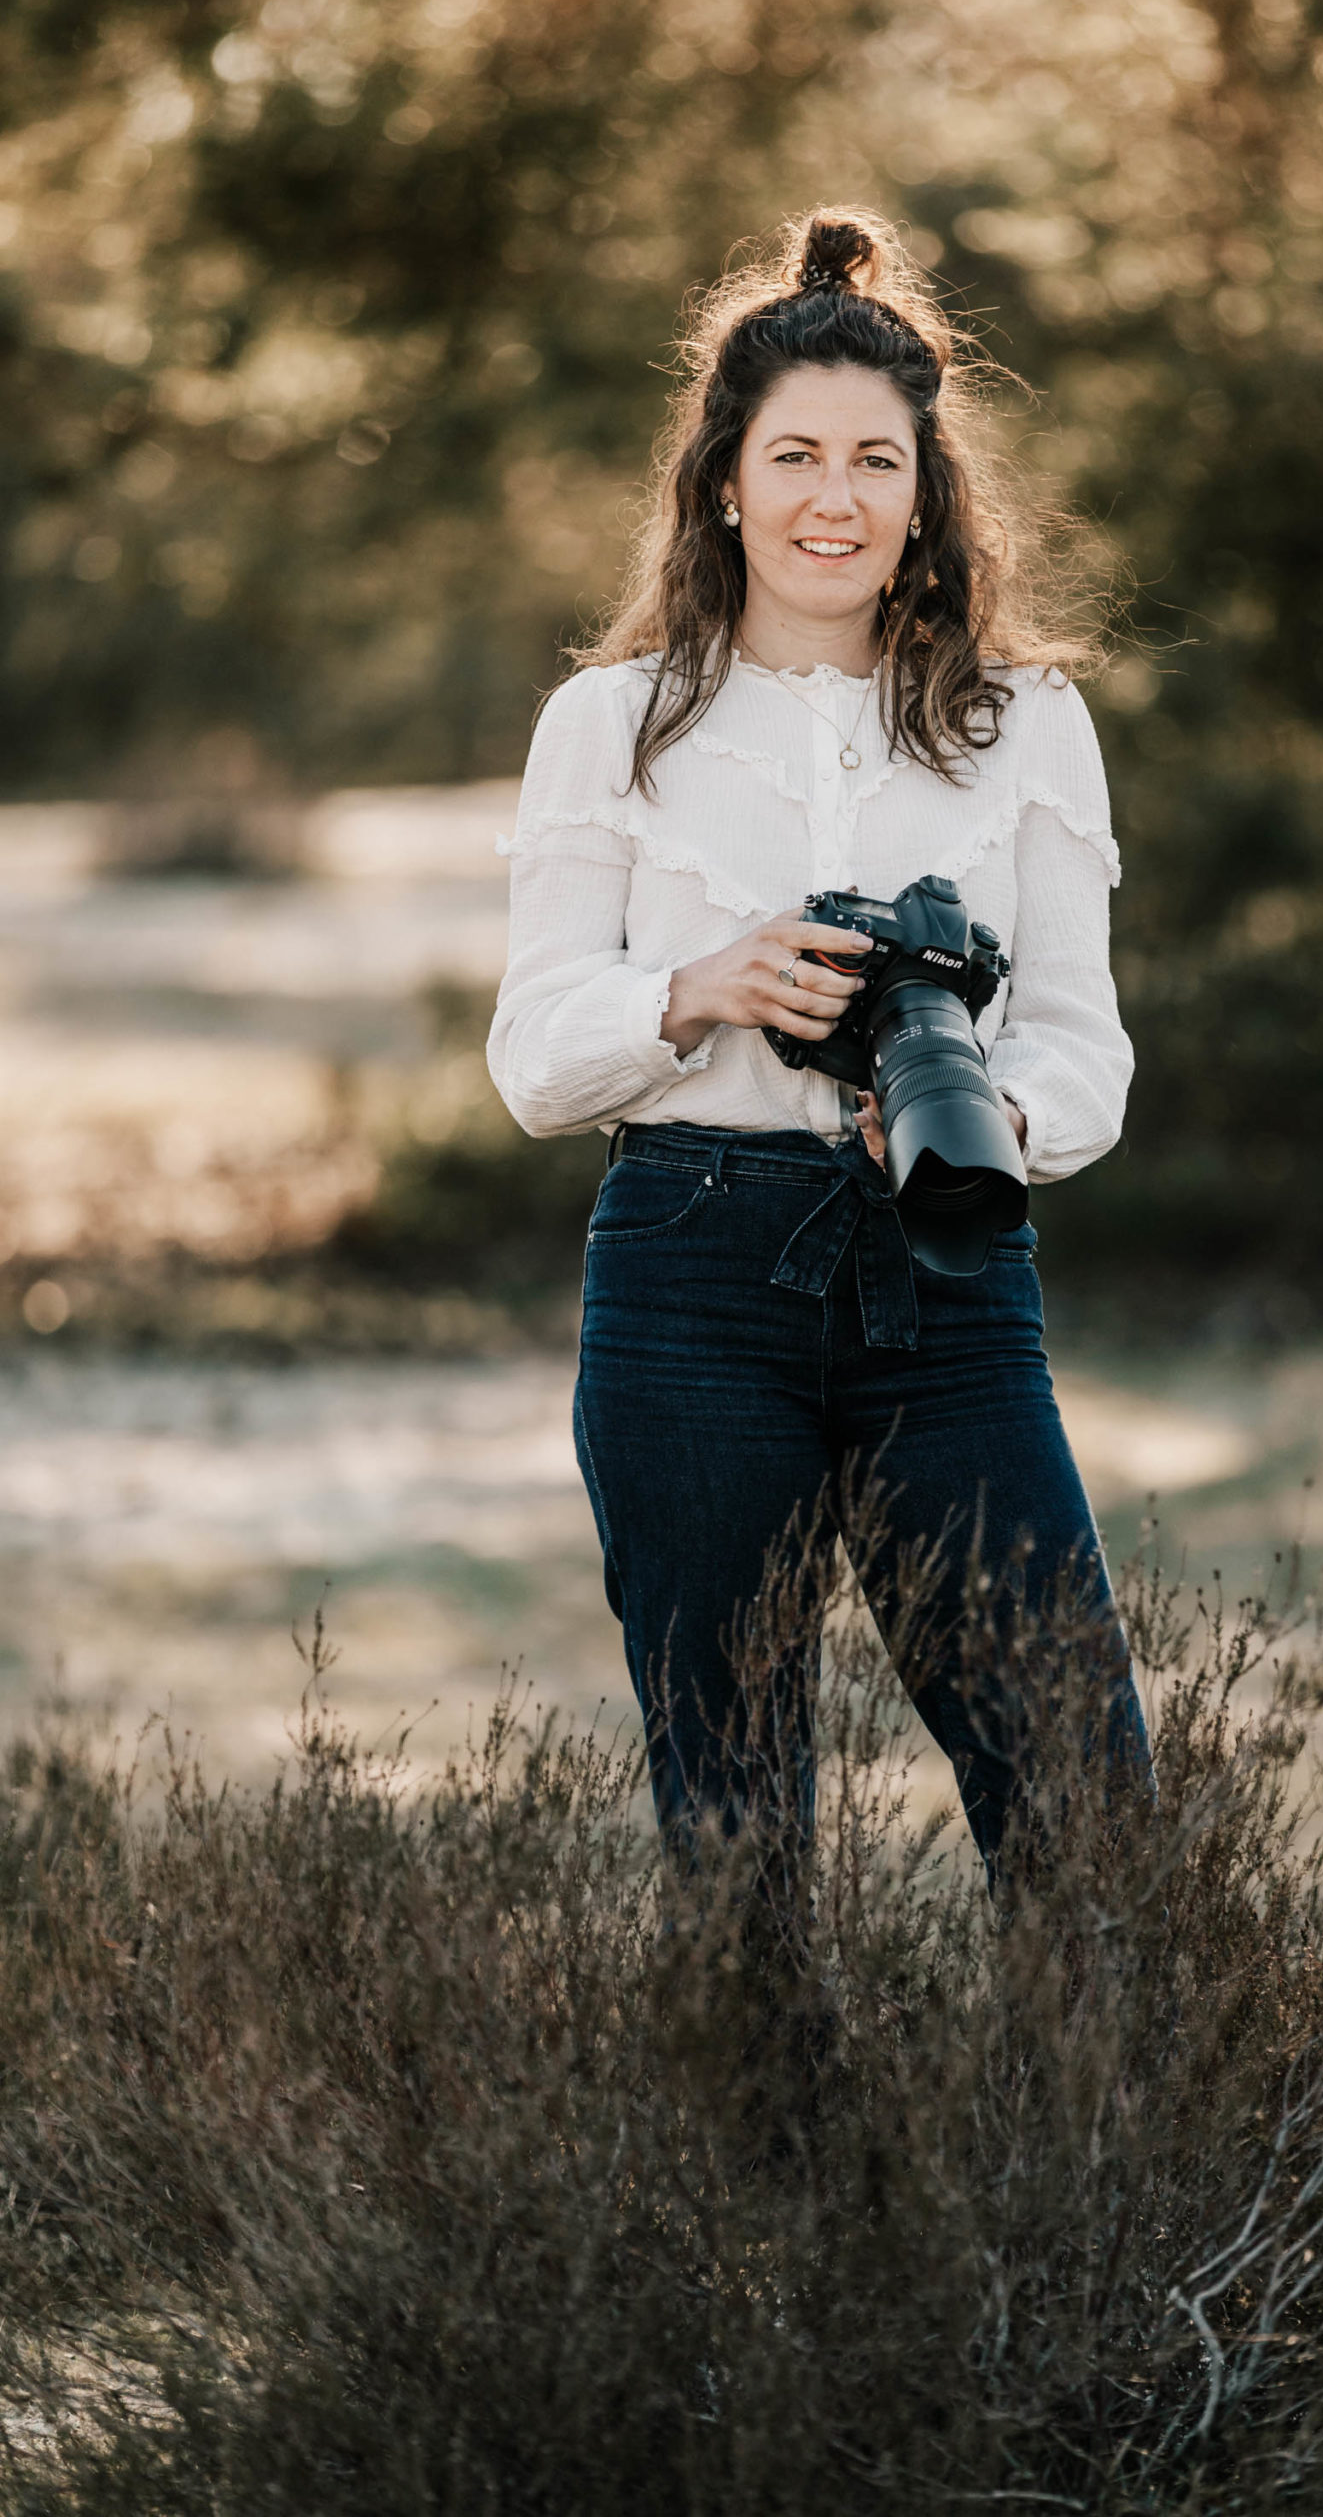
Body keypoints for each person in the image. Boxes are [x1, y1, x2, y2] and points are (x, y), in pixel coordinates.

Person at [488, 207, 1153, 1933]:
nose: (835, 497)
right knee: (735, 1824)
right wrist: (698, 988)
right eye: (795, 456)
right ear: (725, 480)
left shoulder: (1027, 722)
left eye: (878, 458)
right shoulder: (614, 723)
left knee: (1082, 1785)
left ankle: (1104, 2187)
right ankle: (774, 2201)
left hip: (946, 1264)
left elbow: (1085, 1037)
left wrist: (1002, 1110)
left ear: (927, 488)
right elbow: (532, 1058)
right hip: (690, 1273)